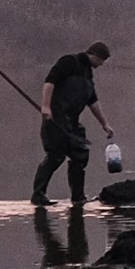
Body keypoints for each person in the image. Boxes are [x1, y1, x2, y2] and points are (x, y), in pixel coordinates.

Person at [32, 41, 115, 207]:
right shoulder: (68, 62)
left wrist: (104, 124)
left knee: (80, 155)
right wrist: (46, 107)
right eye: (101, 61)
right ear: (94, 55)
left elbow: (93, 100)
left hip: (73, 121)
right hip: (55, 118)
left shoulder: (87, 73)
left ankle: (78, 198)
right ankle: (38, 195)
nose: (101, 65)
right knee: (55, 156)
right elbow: (50, 82)